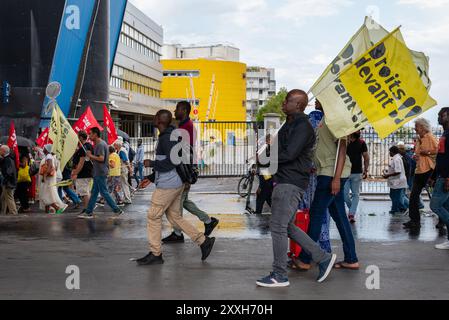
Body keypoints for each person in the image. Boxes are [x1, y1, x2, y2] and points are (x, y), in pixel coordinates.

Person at [256, 91, 337, 288]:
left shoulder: (303, 126)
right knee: (288, 227)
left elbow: (290, 153)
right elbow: (280, 150)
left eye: (288, 100)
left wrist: (268, 158)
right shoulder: (290, 124)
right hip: (285, 180)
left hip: (290, 183)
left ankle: (279, 274)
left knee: (278, 227)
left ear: (299, 104)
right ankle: (323, 257)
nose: (283, 103)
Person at [136, 110, 215, 265]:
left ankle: (155, 253)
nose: (153, 117)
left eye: (155, 116)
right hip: (175, 182)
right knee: (175, 217)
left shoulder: (166, 138)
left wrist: (150, 163)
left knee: (153, 216)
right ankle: (203, 241)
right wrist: (151, 178)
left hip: (168, 185)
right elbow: (171, 161)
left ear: (159, 120)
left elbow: (170, 162)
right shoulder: (172, 136)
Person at [297, 99, 359, 272]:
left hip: (330, 174)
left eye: (320, 97)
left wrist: (336, 179)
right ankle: (351, 259)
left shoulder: (335, 120)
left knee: (316, 216)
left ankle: (305, 258)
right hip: (327, 172)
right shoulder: (326, 119)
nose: (316, 100)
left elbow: (342, 149)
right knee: (340, 217)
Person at [162, 101, 219, 243]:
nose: (175, 112)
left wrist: (185, 176)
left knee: (177, 205)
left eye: (177, 109)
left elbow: (184, 151)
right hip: (185, 170)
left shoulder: (186, 127)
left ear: (184, 110)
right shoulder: (184, 126)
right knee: (183, 201)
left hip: (184, 171)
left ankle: (178, 233)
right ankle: (207, 220)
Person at [77, 127, 123, 219]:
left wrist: (90, 156)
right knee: (94, 192)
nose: (89, 136)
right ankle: (89, 211)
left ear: (95, 134)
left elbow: (101, 158)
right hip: (99, 171)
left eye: (90, 134)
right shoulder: (100, 144)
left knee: (104, 192)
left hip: (100, 172)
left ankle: (117, 209)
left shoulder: (100, 144)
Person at [403, 118, 438, 229]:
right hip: (419, 170)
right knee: (413, 196)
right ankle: (414, 221)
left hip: (428, 170)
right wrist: (416, 156)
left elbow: (437, 151)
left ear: (423, 127)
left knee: (434, 196)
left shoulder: (430, 137)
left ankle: (442, 220)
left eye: (416, 126)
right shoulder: (419, 139)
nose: (415, 128)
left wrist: (426, 152)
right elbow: (418, 153)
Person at [429, 108, 449, 250]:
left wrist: (447, 177)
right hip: (441, 175)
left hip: (446, 177)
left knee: (434, 206)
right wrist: (434, 176)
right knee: (447, 207)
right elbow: (441, 158)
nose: (439, 117)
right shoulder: (445, 134)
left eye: (441, 115)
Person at [344, 131, 369, 223]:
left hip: (357, 172)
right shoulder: (344, 142)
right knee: (344, 194)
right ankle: (352, 209)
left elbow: (366, 157)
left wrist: (366, 170)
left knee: (355, 194)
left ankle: (351, 214)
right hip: (345, 172)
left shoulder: (362, 143)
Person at [38, 144, 67, 214]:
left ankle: (57, 208)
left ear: (47, 149)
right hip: (49, 178)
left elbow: (50, 166)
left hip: (47, 179)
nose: (43, 149)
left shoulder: (48, 156)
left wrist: (45, 175)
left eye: (44, 148)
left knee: (45, 195)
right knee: (48, 194)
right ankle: (47, 211)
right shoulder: (50, 156)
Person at [71, 131, 94, 213]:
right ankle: (87, 208)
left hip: (83, 173)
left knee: (84, 192)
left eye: (78, 137)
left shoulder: (83, 148)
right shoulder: (90, 146)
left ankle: (87, 210)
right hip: (89, 172)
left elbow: (81, 163)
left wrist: (75, 173)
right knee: (86, 191)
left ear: (80, 137)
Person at [384, 146, 409, 214]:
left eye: (390, 152)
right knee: (393, 195)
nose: (389, 153)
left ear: (393, 152)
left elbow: (398, 171)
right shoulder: (396, 158)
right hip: (395, 182)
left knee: (396, 197)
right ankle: (399, 208)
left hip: (398, 181)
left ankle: (397, 209)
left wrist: (387, 175)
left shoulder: (397, 159)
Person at [255, 134, 273, 215]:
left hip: (266, 175)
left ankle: (257, 213)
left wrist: (260, 186)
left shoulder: (268, 149)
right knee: (268, 196)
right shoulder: (267, 148)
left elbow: (265, 164)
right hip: (267, 175)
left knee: (261, 195)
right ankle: (277, 212)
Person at [0, 145, 18, 215]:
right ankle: (3, 212)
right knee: (3, 198)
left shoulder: (7, 160)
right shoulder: (8, 158)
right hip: (9, 182)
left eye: (0, 150)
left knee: (9, 198)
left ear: (3, 151)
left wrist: (5, 181)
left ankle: (13, 212)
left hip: (8, 182)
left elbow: (9, 172)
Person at [114, 140, 133, 205]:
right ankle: (126, 197)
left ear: (117, 145)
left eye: (115, 145)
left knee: (124, 184)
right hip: (123, 169)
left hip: (123, 169)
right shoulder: (120, 150)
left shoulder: (121, 151)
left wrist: (130, 169)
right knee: (124, 184)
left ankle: (127, 198)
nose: (114, 146)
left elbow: (125, 161)